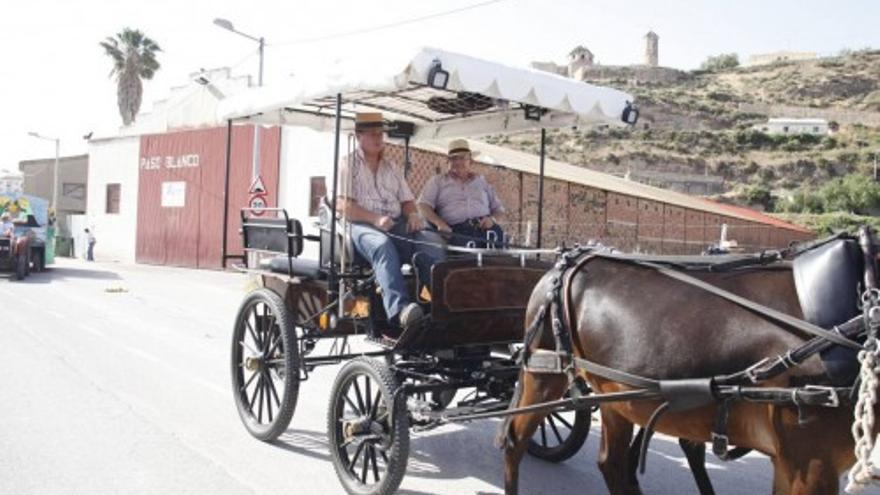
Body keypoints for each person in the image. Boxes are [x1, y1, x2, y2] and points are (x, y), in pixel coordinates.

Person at [336, 112, 445, 329]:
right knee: (382, 245)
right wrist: (375, 219)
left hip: (393, 223)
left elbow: (407, 202)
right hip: (359, 226)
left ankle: (440, 303)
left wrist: (413, 215)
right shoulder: (347, 164)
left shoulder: (392, 168)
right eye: (372, 134)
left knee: (430, 241)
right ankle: (400, 310)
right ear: (359, 136)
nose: (378, 138)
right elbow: (343, 206)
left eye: (380, 133)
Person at [418, 139, 506, 247]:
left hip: (488, 229)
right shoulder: (438, 181)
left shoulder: (482, 181)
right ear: (448, 162)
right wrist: (440, 224)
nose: (458, 162)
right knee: (470, 262)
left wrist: (492, 220)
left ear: (470, 161)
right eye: (454, 158)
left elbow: (499, 209)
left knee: (503, 261)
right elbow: (423, 205)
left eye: (463, 158)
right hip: (458, 232)